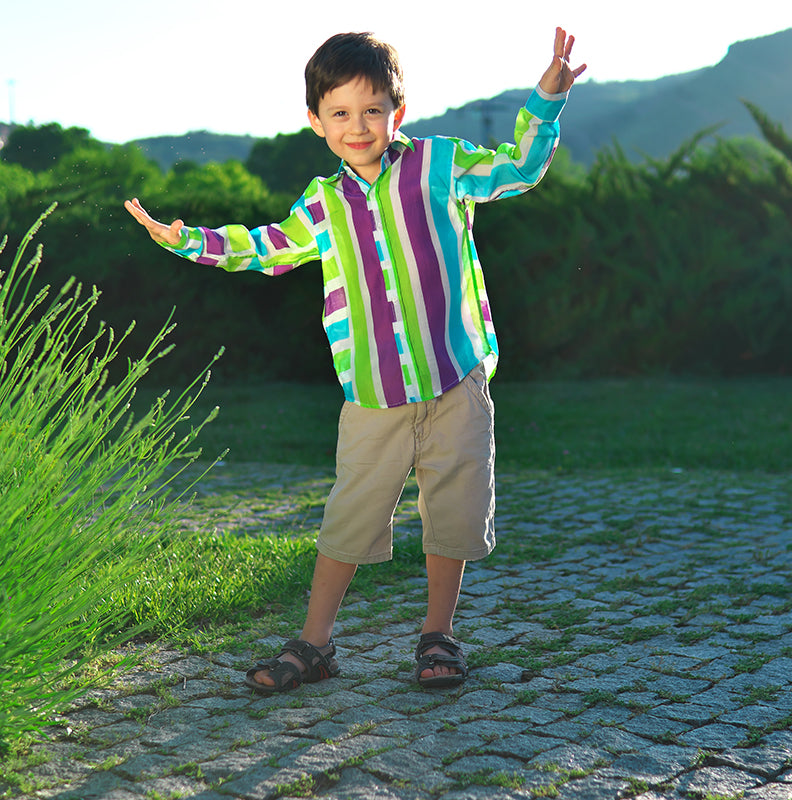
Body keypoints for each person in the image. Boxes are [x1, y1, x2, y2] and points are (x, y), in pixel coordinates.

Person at [125, 27, 585, 692]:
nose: (358, 126)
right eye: (339, 113)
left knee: (451, 514)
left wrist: (545, 102)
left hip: (456, 381)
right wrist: (184, 239)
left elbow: (519, 168)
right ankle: (314, 645)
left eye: (372, 109)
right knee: (348, 520)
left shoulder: (441, 165)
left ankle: (439, 637)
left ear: (399, 111)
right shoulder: (321, 204)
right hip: (372, 395)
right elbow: (262, 247)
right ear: (316, 122)